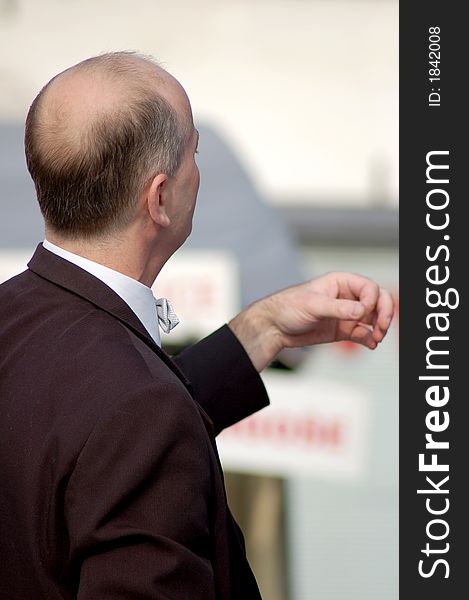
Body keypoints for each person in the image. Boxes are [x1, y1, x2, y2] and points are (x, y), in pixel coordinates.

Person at [0, 52, 394, 599]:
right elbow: (128, 423)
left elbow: (86, 426)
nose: (200, 174)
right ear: (159, 197)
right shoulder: (138, 413)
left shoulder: (17, 322)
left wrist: (264, 329)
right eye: (193, 154)